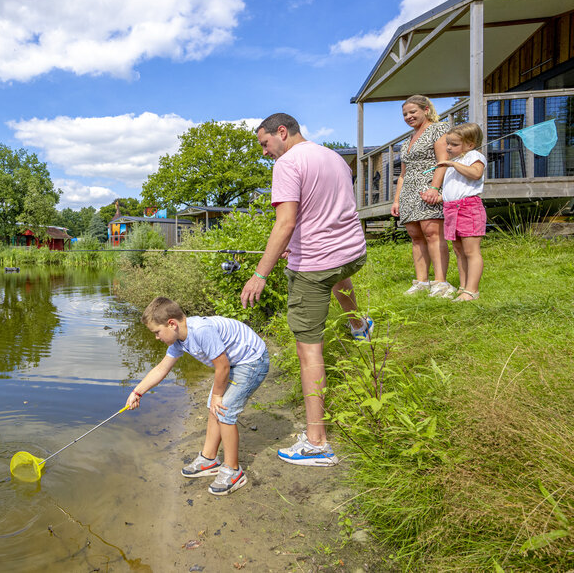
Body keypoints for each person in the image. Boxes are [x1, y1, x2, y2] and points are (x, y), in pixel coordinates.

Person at [240, 113, 369, 467]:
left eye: (265, 143)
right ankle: (359, 326)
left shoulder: (286, 164)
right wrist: (291, 242)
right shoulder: (333, 157)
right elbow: (321, 209)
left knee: (308, 350)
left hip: (316, 264)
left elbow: (286, 221)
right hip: (351, 254)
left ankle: (318, 443)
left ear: (282, 132)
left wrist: (260, 275)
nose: (265, 152)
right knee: (338, 279)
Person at [126, 297, 269, 496]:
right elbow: (161, 369)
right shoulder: (179, 341)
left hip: (252, 361)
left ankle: (234, 471)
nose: (157, 338)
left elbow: (223, 366)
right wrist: (137, 392)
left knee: (224, 410)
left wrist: (219, 395)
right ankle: (209, 459)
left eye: (157, 332)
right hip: (233, 363)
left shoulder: (201, 331)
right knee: (213, 406)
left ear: (172, 324)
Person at [391, 95, 453, 297]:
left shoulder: (438, 129)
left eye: (412, 112)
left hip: (428, 187)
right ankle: (421, 282)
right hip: (409, 191)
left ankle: (441, 282)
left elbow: (442, 161)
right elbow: (402, 174)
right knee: (416, 237)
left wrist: (435, 188)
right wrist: (397, 199)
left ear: (426, 110)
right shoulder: (407, 140)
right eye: (405, 114)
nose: (408, 117)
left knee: (432, 233)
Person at [433, 123, 486, 301]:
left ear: (470, 144)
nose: (448, 147)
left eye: (454, 144)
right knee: (458, 250)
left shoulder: (474, 156)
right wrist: (440, 197)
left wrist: (452, 164)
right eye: (448, 143)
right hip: (451, 209)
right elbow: (455, 187)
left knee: (471, 251)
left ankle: (472, 290)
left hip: (468, 208)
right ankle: (463, 287)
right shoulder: (454, 163)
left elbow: (476, 174)